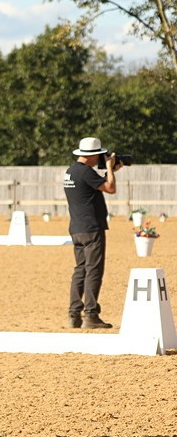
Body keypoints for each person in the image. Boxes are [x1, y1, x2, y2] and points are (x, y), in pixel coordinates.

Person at [63, 136, 123, 329]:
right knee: (94, 270)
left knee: (80, 270)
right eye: (98, 155)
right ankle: (91, 314)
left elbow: (91, 187)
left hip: (77, 228)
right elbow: (110, 188)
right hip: (92, 228)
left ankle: (74, 313)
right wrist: (109, 169)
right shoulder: (87, 172)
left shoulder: (71, 171)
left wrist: (109, 170)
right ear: (92, 156)